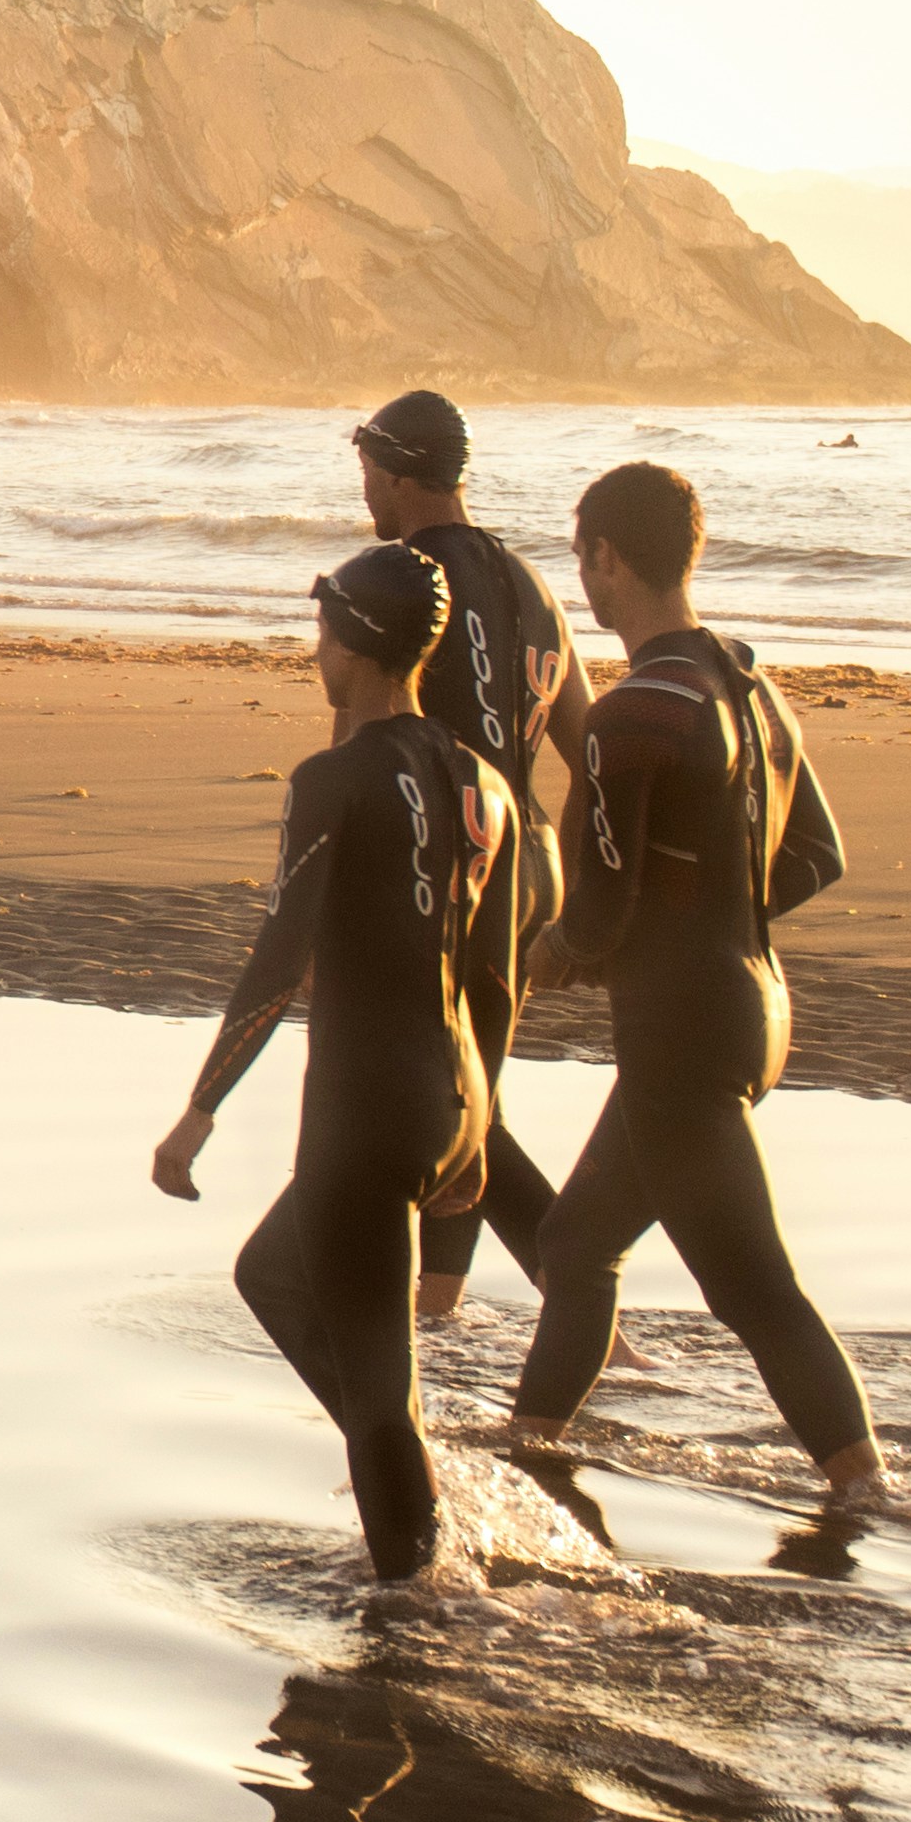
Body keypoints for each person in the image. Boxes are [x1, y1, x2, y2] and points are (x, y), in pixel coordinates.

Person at [508, 460, 884, 1506]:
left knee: (753, 1289)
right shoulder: (750, 687)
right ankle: (529, 1446)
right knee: (576, 1241)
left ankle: (867, 1490)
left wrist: (541, 961)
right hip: (752, 1009)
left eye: (581, 558)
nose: (581, 579)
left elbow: (597, 913)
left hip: (679, 1033)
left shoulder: (634, 715)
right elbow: (816, 856)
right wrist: (708, 919)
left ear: (606, 557)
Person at [153, 544, 511, 1577]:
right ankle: (419, 1489)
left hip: (365, 1111)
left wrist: (200, 1110)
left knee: (383, 1390)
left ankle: (421, 1601)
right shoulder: (483, 783)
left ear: (352, 642)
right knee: (271, 1273)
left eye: (322, 633)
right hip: (451, 1096)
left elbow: (280, 958)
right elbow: (495, 976)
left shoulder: (333, 780)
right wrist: (476, 1126)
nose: (315, 652)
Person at [348, 392, 573, 1315]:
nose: (363, 489)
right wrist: (579, 887)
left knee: (449, 1103)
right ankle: (439, 1301)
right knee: (472, 1092)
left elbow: (360, 747)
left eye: (366, 470)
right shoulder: (531, 584)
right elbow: (587, 745)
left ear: (400, 474)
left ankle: (583, 1302)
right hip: (531, 861)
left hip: (451, 866)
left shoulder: (398, 582)